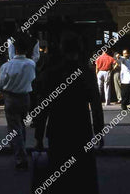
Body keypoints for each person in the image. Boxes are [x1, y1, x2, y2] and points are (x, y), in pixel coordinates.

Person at [35, 31, 104, 193]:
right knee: (83, 175)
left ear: (61, 48)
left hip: (58, 129)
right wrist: (99, 131)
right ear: (79, 49)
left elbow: (43, 106)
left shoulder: (51, 73)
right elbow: (95, 105)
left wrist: (39, 135)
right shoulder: (86, 73)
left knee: (59, 177)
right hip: (81, 129)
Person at [0, 34, 36, 169]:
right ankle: (22, 147)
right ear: (26, 50)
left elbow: (1, 84)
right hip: (25, 97)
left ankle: (20, 156)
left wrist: (1, 91)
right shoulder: (31, 64)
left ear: (15, 49)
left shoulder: (6, 66)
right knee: (21, 125)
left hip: (11, 97)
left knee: (14, 128)